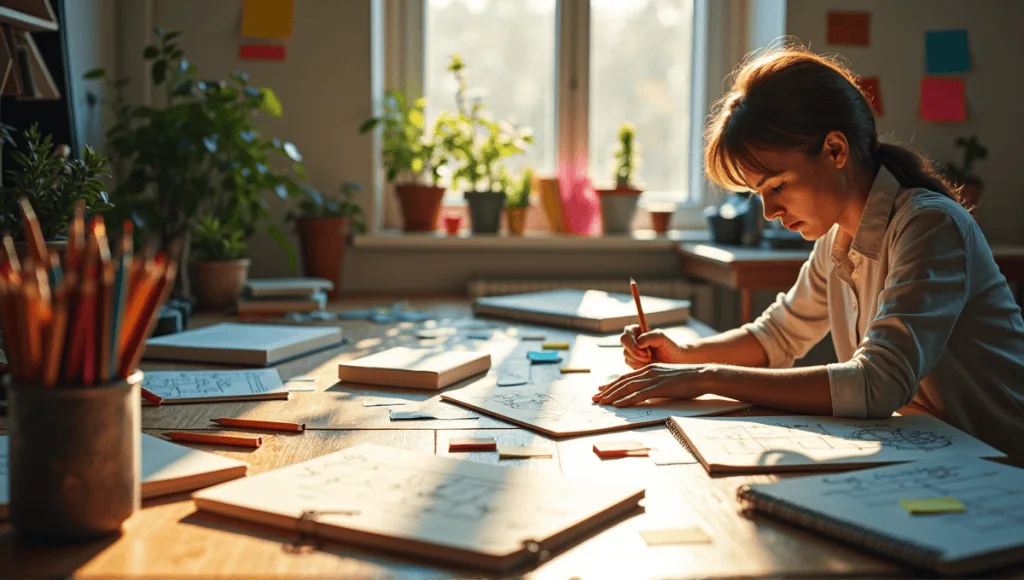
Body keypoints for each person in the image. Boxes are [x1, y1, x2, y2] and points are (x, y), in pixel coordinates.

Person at [593, 46, 1024, 465]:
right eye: (759, 194)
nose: (770, 212)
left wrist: (706, 377)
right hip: (932, 458)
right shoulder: (837, 240)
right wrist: (683, 357)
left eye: (777, 186)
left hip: (1001, 472)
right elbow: (776, 337)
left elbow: (877, 384)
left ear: (836, 151)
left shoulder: (929, 226)